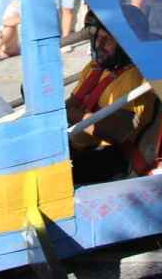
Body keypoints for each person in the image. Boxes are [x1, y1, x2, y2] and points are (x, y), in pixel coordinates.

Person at [65, 11, 156, 185]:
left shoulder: (136, 77)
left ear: (125, 44)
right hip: (80, 145)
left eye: (107, 40)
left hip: (112, 155)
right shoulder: (95, 67)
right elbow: (73, 103)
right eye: (98, 38)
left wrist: (72, 115)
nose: (99, 45)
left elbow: (118, 131)